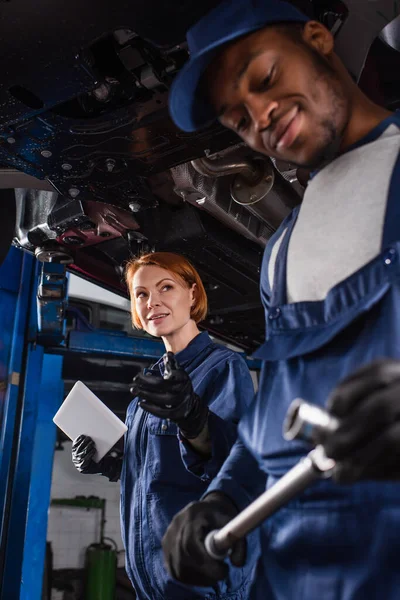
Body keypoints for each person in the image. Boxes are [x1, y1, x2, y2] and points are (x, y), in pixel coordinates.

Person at [161, 0, 400, 598]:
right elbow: (276, 411)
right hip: (292, 573)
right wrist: (224, 496)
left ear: (318, 39)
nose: (261, 114)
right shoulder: (279, 255)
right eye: (237, 118)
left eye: (265, 78)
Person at [71, 251, 260, 600]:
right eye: (141, 294)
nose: (152, 301)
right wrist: (113, 465)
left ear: (192, 294)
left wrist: (194, 417)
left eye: (166, 287)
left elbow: (238, 463)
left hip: (203, 578)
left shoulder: (222, 367)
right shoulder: (145, 394)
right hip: (151, 579)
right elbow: (160, 473)